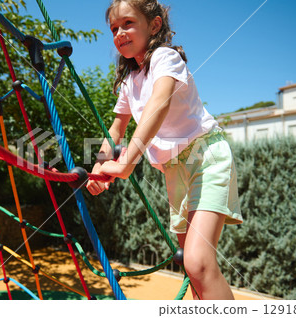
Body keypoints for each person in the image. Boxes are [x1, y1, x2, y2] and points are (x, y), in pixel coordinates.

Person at [86, 0, 243, 300]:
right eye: (114, 29)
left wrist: (126, 163)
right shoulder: (130, 81)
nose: (119, 33)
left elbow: (159, 105)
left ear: (154, 25)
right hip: (174, 169)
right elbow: (116, 129)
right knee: (190, 264)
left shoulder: (165, 58)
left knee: (198, 262)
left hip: (205, 156)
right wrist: (99, 166)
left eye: (128, 24)